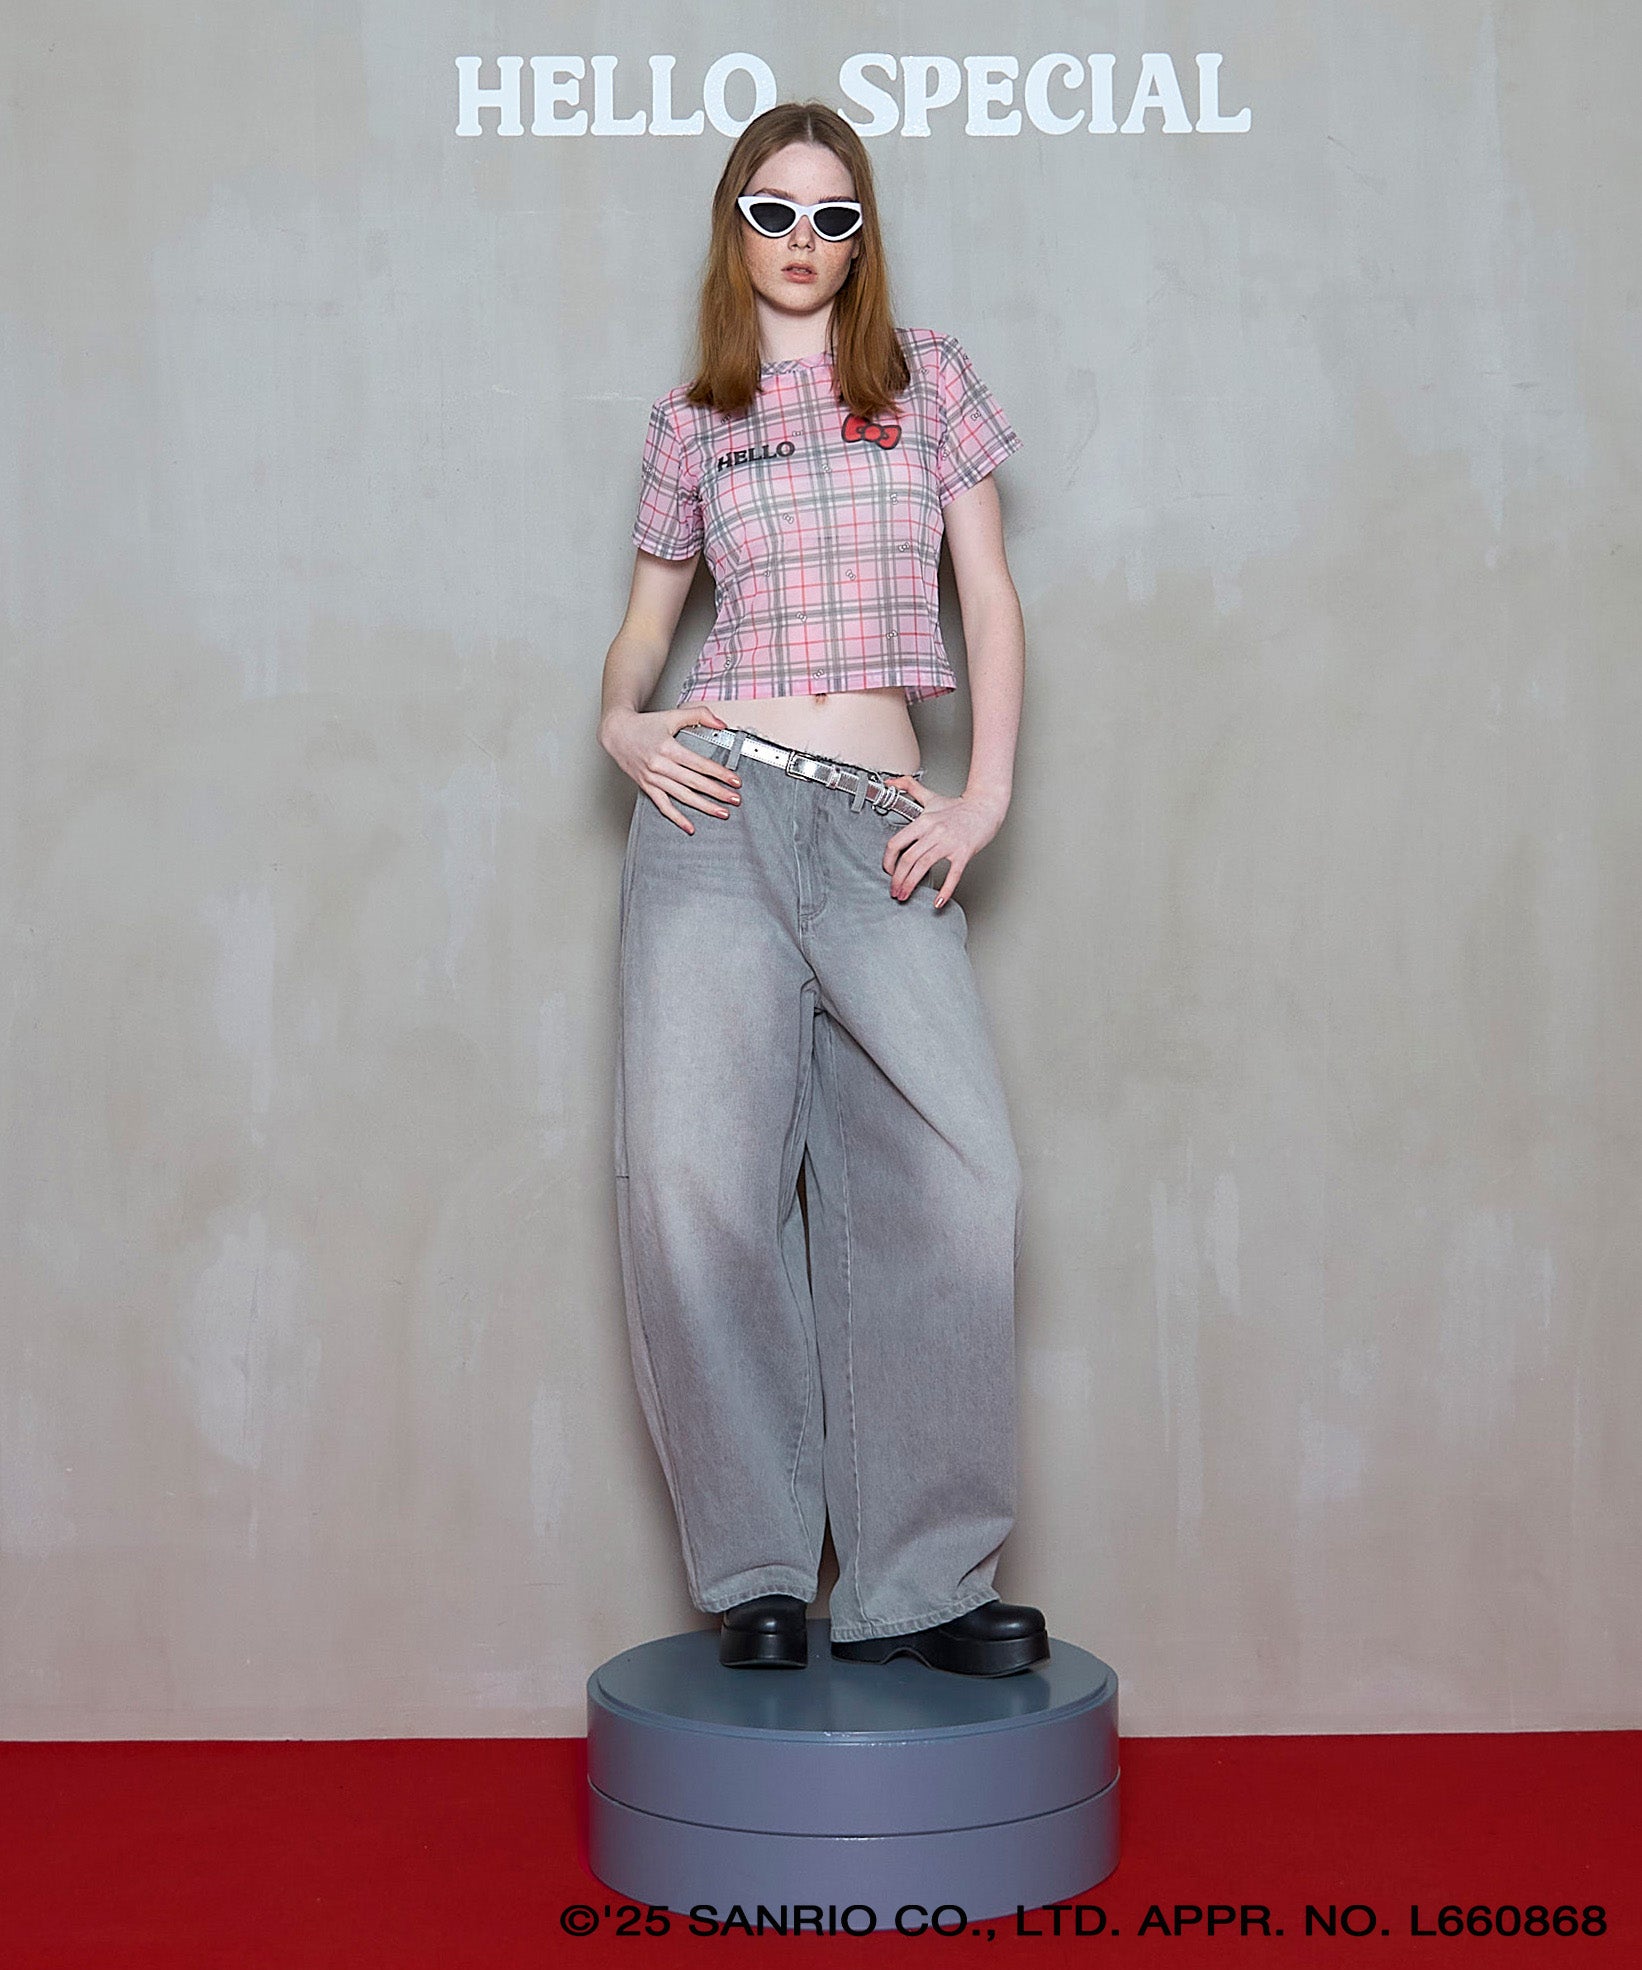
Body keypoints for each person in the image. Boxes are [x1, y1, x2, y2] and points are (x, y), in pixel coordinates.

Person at [598, 99, 1049, 1677]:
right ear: (735, 228)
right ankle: (759, 1569)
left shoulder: (926, 382)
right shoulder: (690, 420)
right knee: (697, 1184)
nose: (803, 241)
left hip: (877, 825)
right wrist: (619, 720)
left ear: (863, 240)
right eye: (774, 212)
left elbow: (987, 596)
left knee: (959, 1180)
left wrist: (983, 793)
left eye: (834, 216)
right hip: (714, 812)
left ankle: (920, 1581)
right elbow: (646, 626)